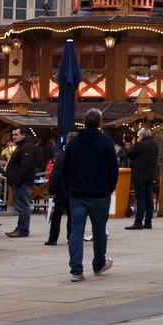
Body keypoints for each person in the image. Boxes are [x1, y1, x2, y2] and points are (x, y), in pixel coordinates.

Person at [59, 109, 118, 281]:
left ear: (84, 122)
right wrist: (109, 188)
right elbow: (113, 169)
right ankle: (99, 263)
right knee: (99, 230)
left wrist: (70, 187)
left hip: (78, 194)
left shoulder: (73, 143)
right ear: (99, 122)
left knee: (76, 231)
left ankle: (76, 270)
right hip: (100, 194)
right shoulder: (106, 142)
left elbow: (65, 168)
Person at [4, 127, 37, 238]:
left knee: (23, 206)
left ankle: (23, 230)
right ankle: (20, 228)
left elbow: (25, 166)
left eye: (16, 134)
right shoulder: (22, 146)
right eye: (13, 134)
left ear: (23, 135)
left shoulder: (27, 146)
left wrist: (17, 180)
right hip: (20, 182)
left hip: (22, 182)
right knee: (21, 206)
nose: (14, 137)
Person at [45, 132, 77, 246]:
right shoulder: (81, 156)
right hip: (75, 189)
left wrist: (51, 189)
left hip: (62, 189)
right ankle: (71, 237)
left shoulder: (62, 156)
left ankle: (53, 238)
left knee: (57, 215)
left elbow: (56, 174)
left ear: (67, 140)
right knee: (72, 215)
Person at [125, 127, 158, 230]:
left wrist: (134, 144)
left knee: (141, 198)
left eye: (139, 135)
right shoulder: (155, 145)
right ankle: (148, 222)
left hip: (140, 175)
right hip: (150, 174)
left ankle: (138, 222)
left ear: (142, 135)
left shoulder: (140, 144)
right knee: (149, 198)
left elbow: (131, 155)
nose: (138, 136)